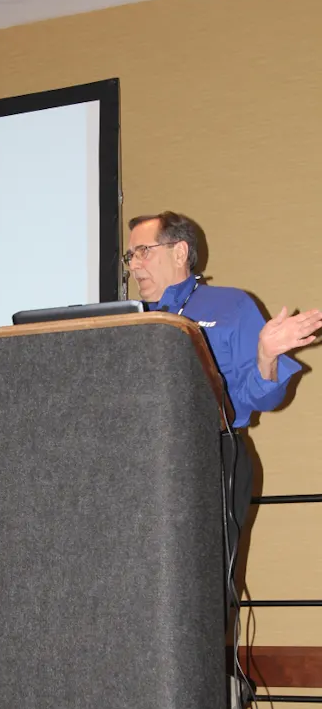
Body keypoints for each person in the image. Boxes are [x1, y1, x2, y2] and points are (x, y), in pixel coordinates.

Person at [124, 211, 322, 559]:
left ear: (180, 252)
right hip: (135, 462)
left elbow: (261, 398)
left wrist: (266, 356)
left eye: (143, 251)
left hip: (213, 456)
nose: (133, 265)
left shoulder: (231, 305)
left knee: (203, 582)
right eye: (130, 256)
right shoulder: (127, 319)